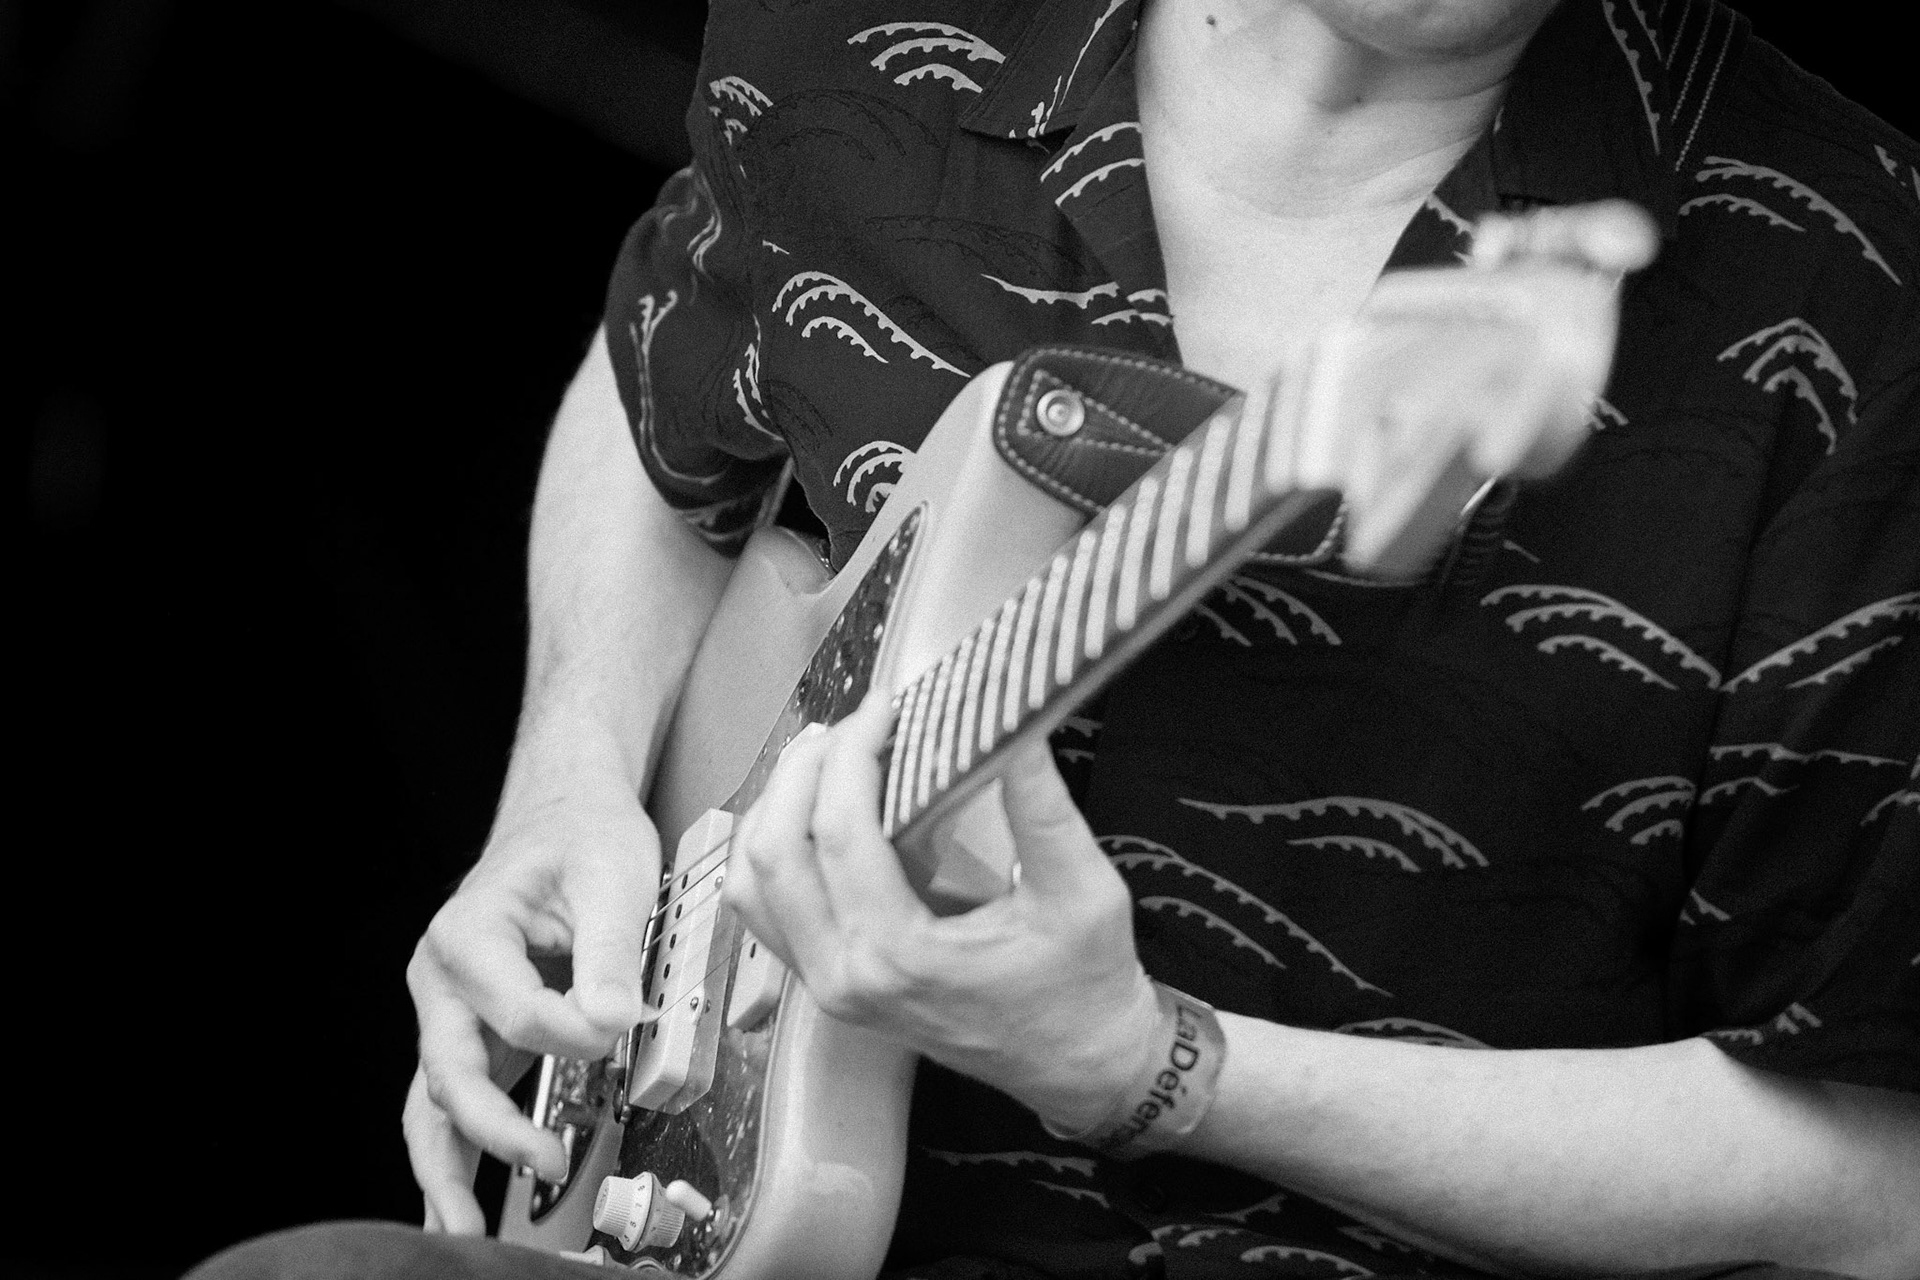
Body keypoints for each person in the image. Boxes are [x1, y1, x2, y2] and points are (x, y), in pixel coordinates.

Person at [195, 0, 1920, 1277]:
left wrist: (1162, 1070)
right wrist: (564, 783)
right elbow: (665, 368)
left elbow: (1873, 1186)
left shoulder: (1848, 299)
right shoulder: (866, 41)